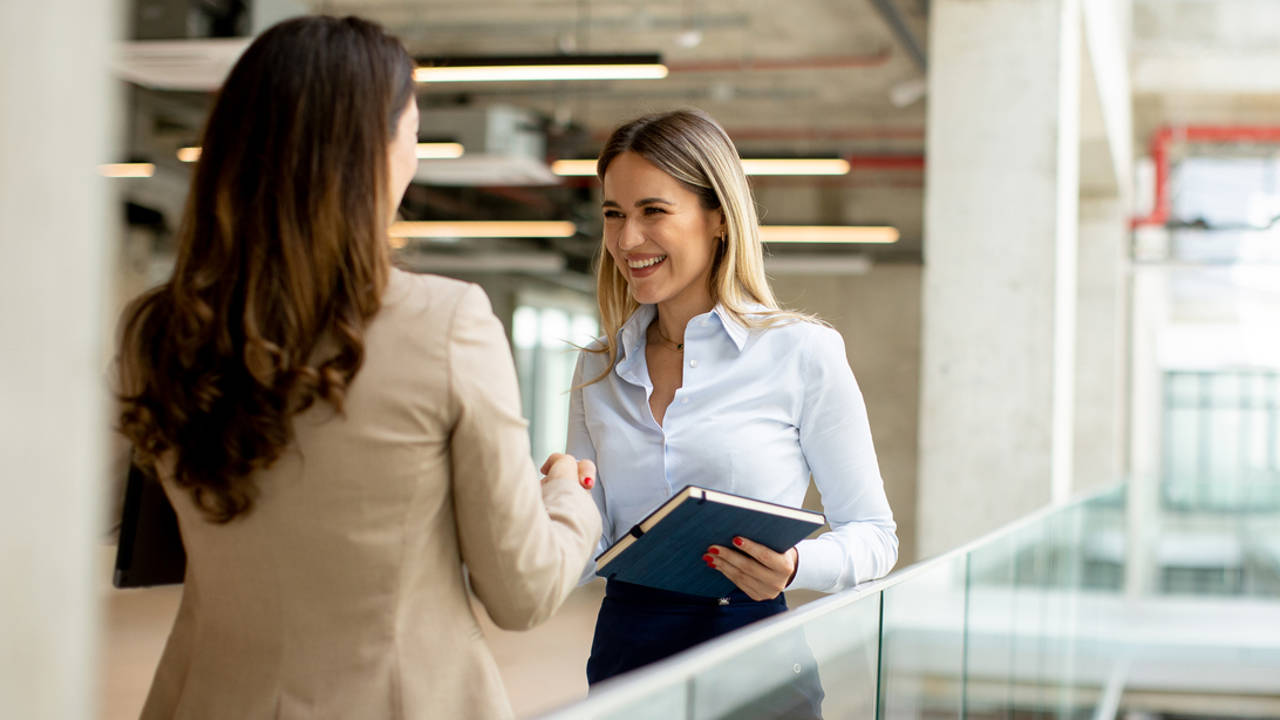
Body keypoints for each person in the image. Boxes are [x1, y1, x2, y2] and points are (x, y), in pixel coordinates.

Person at [114, 16, 600, 719]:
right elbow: (521, 593)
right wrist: (568, 495)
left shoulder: (157, 331)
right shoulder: (448, 323)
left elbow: (99, 512)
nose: (414, 155)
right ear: (370, 149)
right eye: (411, 129)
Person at [567, 109, 899, 693]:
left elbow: (874, 535)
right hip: (627, 654)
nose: (626, 240)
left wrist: (797, 566)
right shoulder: (599, 365)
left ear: (717, 218)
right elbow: (588, 536)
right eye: (614, 214)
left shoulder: (801, 352)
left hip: (756, 659)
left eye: (653, 212)